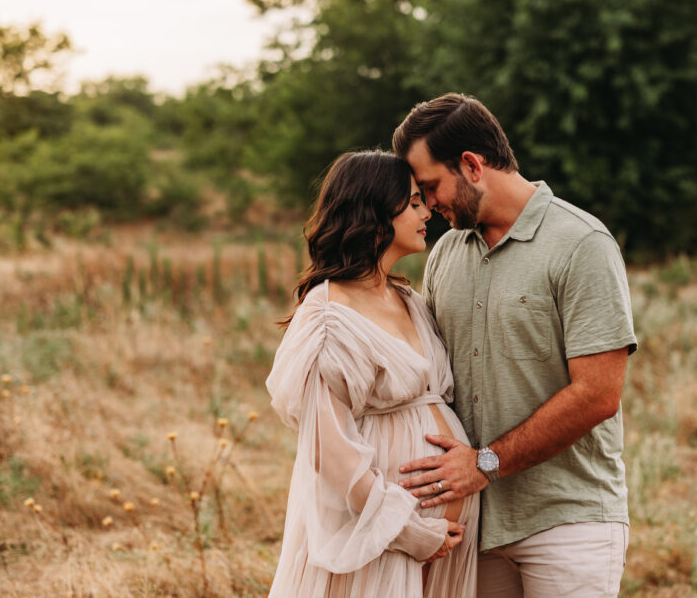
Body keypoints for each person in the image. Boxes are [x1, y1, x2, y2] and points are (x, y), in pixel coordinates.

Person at [392, 94, 638, 598]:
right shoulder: (444, 255)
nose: (428, 204)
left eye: (431, 186)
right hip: (472, 526)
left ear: (472, 165)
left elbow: (597, 394)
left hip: (567, 519)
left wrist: (485, 463)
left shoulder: (582, 244)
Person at [265, 150, 478, 598]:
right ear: (377, 211)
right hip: (379, 536)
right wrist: (408, 531)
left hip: (444, 541)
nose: (427, 213)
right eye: (414, 202)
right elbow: (331, 452)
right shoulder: (326, 316)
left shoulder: (408, 299)